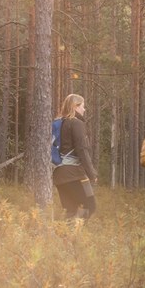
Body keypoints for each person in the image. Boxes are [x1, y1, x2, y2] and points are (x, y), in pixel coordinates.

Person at [51, 93, 97, 222]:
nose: (84, 109)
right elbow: (82, 150)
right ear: (75, 107)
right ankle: (73, 237)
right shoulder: (76, 123)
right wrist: (92, 173)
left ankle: (64, 239)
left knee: (71, 210)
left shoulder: (60, 123)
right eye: (82, 106)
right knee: (89, 207)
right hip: (74, 174)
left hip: (59, 174)